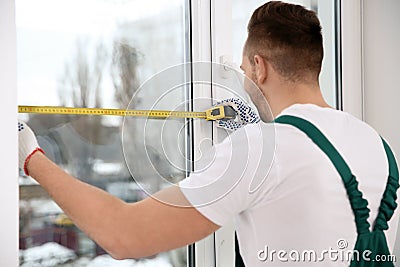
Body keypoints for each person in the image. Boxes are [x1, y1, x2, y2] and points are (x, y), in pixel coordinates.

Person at [18, 1, 399, 266]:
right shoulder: (377, 146)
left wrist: (31, 159)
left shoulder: (260, 149)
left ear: (258, 67)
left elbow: (125, 235)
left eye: (245, 72)